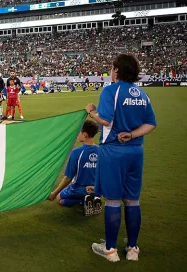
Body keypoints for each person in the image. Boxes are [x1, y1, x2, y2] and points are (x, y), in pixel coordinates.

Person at [85, 54, 157, 262]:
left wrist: (91, 111)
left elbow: (105, 121)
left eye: (112, 67)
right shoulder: (142, 94)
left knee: (114, 200)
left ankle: (110, 250)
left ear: (117, 70)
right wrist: (133, 134)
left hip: (113, 151)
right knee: (133, 200)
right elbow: (151, 123)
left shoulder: (110, 90)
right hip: (136, 151)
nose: (110, 71)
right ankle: (133, 248)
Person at [47, 120, 101, 215]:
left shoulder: (76, 152)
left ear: (84, 134)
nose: (77, 134)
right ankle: (92, 198)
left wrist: (54, 193)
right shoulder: (101, 151)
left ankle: (82, 201)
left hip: (78, 189)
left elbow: (68, 178)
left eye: (79, 131)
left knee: (59, 198)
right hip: (96, 189)